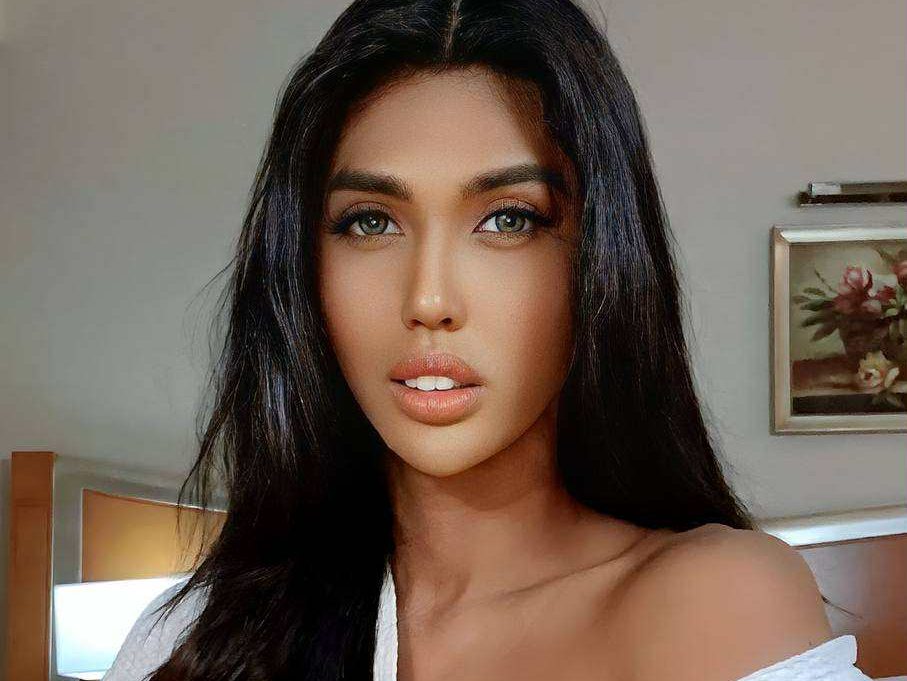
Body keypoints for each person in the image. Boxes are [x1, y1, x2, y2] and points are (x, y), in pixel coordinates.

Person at [105, 1, 873, 679]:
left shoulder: (710, 604)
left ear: (600, 257)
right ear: (305, 268)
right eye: (369, 222)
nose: (428, 299)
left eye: (509, 219)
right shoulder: (198, 639)